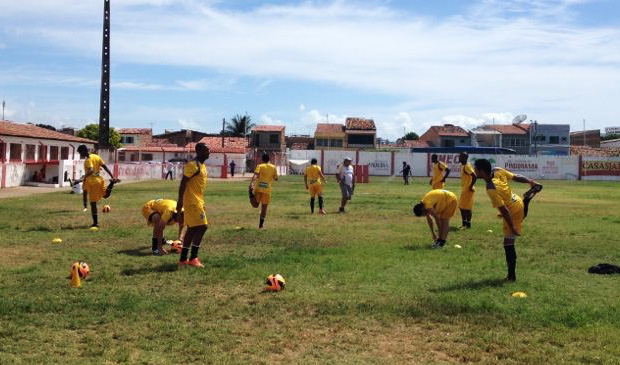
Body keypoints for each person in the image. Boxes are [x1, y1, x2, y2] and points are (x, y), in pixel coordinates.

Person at [473, 158, 543, 282]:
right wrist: (530, 181)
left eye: (475, 169)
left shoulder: (490, 188)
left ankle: (511, 277)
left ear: (482, 171)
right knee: (520, 210)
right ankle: (526, 199)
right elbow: (516, 177)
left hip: (513, 211)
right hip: (516, 200)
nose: (474, 171)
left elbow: (504, 209)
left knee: (508, 243)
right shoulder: (498, 170)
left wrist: (512, 226)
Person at [176, 143, 210, 268]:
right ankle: (193, 257)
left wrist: (202, 202)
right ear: (199, 151)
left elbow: (198, 188)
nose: (209, 152)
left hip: (197, 201)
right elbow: (183, 183)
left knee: (192, 228)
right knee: (203, 227)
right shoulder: (192, 165)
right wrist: (180, 201)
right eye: (206, 150)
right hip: (192, 202)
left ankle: (183, 260)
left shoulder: (202, 165)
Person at [71, 145, 120, 228]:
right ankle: (111, 183)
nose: (80, 154)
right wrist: (112, 176)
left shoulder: (88, 160)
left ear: (83, 151)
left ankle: (95, 223)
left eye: (79, 152)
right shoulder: (96, 157)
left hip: (93, 183)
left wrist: (82, 178)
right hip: (100, 180)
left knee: (93, 204)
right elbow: (104, 166)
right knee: (105, 195)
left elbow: (91, 170)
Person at [249, 153, 279, 229]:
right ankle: (261, 225)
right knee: (264, 207)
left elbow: (255, 175)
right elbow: (276, 178)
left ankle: (250, 194)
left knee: (255, 205)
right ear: (269, 159)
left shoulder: (260, 166)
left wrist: (252, 183)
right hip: (267, 189)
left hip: (258, 187)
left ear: (262, 159)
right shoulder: (273, 167)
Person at [459, 152, 477, 228]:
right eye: (459, 156)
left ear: (465, 158)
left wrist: (470, 186)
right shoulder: (464, 165)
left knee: (467, 208)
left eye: (461, 157)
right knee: (462, 207)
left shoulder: (466, 166)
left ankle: (468, 224)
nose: (459, 158)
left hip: (468, 189)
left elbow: (475, 176)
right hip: (465, 189)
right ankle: (464, 223)